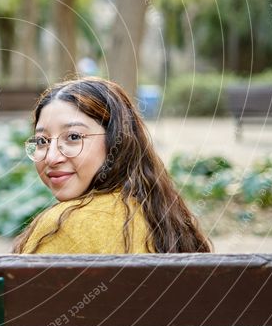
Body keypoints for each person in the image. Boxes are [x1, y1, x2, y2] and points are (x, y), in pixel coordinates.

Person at [13, 77, 212, 254]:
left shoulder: (63, 226)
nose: (51, 157)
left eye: (73, 137)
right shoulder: (163, 217)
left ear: (116, 141)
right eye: (41, 141)